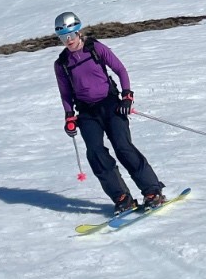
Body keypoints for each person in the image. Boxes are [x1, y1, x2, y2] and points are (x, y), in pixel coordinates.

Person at [53, 11, 166, 215]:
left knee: (122, 146)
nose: (68, 40)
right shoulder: (61, 64)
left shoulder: (95, 48)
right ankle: (122, 198)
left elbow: (120, 70)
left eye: (70, 35)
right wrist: (69, 116)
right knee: (95, 153)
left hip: (111, 103)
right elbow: (65, 93)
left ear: (78, 32)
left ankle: (152, 191)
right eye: (63, 37)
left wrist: (127, 96)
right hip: (86, 111)